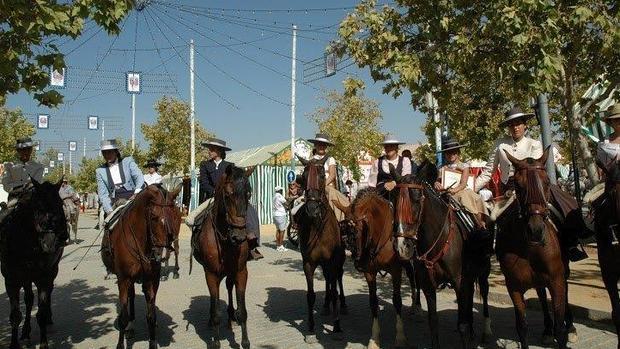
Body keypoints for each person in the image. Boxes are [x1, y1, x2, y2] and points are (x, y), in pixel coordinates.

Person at [475, 106, 588, 261]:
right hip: (507, 191)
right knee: (491, 219)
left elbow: (534, 169)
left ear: (525, 125)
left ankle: (571, 243)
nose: (515, 127)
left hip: (532, 188)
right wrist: (469, 188)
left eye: (518, 123)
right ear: (508, 127)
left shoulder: (534, 144)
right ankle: (489, 249)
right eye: (512, 124)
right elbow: (488, 172)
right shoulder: (500, 145)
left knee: (561, 205)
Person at [186, 138, 262, 260]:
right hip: (212, 198)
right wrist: (215, 193)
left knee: (250, 212)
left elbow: (236, 183)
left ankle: (252, 245)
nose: (209, 151)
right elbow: (204, 183)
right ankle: (197, 245)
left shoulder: (230, 166)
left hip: (229, 198)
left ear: (219, 151)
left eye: (212, 149)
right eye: (209, 149)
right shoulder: (205, 165)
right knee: (190, 219)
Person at [434, 136, 487, 230]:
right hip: (446, 193)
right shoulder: (442, 168)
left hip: (460, 191)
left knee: (473, 198)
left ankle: (479, 224)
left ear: (458, 153)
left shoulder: (464, 166)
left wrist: (453, 190)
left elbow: (463, 184)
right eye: (448, 152)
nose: (451, 154)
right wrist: (436, 183)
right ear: (445, 154)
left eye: (453, 152)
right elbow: (438, 180)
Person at [0, 137, 45, 227]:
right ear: (18, 151)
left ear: (31, 150)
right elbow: (5, 184)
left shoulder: (38, 167)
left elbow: (35, 184)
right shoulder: (9, 165)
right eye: (22, 150)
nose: (25, 152)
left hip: (32, 199)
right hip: (14, 199)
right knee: (2, 218)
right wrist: (24, 185)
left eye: (28, 149)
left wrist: (15, 185)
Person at [95, 139, 144, 218]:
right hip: (114, 201)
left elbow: (139, 177)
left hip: (133, 197)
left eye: (110, 152)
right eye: (104, 153)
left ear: (116, 152)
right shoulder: (100, 171)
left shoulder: (128, 162)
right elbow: (103, 194)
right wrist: (109, 210)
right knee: (104, 222)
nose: (107, 155)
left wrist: (136, 193)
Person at [306, 133, 349, 221]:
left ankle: (339, 220)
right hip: (313, 187)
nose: (321, 146)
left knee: (337, 199)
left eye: (324, 145)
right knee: (301, 200)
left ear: (326, 146)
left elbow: (332, 174)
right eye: (319, 144)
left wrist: (323, 184)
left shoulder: (330, 159)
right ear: (315, 145)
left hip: (327, 185)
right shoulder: (311, 160)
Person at [595, 103, 620, 243]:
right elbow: (600, 167)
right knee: (595, 203)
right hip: (612, 184)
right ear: (611, 122)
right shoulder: (604, 143)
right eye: (617, 120)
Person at [59, 179, 80, 243]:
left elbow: (72, 194)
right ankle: (68, 238)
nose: (63, 183)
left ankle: (75, 238)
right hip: (62, 203)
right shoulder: (59, 189)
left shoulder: (70, 187)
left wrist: (65, 196)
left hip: (69, 201)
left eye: (64, 182)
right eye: (62, 182)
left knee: (72, 210)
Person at [272, 186, 288, 252]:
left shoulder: (274, 196)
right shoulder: (280, 196)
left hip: (275, 214)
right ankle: (281, 246)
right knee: (282, 230)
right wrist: (288, 206)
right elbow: (285, 202)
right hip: (281, 214)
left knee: (278, 230)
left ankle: (278, 245)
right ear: (279, 190)